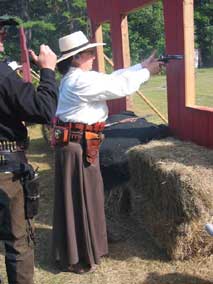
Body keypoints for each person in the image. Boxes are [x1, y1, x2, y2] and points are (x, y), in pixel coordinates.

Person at [51, 30, 162, 274]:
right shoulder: (79, 80)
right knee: (80, 199)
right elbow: (117, 86)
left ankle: (88, 244)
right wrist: (146, 72)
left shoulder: (79, 77)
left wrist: (141, 66)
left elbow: (112, 77)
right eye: (89, 52)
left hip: (80, 144)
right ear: (76, 58)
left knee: (87, 197)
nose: (93, 56)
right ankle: (78, 254)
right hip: (77, 146)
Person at [0, 16, 58, 284]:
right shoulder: (2, 74)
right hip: (6, 171)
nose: (2, 37)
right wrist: (47, 71)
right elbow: (43, 110)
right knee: (18, 241)